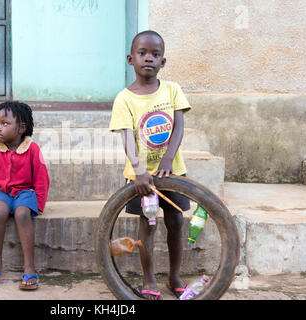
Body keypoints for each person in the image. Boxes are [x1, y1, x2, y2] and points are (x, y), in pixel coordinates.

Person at [109, 30, 192, 300]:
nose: (149, 59)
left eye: (155, 55)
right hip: (141, 176)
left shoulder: (172, 90)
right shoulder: (124, 98)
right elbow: (126, 138)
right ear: (130, 59)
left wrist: (168, 158)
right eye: (143, 53)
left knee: (176, 221)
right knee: (148, 224)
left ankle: (175, 275)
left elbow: (178, 125)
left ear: (163, 62)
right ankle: (148, 279)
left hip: (172, 170)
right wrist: (139, 170)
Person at [0, 101, 50, 290]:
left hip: (25, 193)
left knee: (21, 214)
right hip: (0, 193)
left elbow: (42, 178)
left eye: (4, 123)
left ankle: (29, 267)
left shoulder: (32, 149)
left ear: (21, 127)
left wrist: (39, 204)